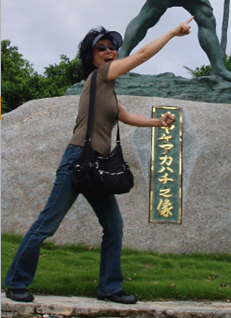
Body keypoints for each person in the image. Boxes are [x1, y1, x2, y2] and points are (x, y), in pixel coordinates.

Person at [3, 18, 194, 304]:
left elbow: (125, 116)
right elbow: (142, 55)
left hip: (98, 167)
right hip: (78, 161)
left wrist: (159, 122)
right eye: (101, 48)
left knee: (114, 226)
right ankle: (15, 282)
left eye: (112, 47)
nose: (109, 51)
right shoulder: (100, 76)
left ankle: (109, 288)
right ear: (91, 58)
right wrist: (171, 33)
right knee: (47, 224)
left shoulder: (107, 90)